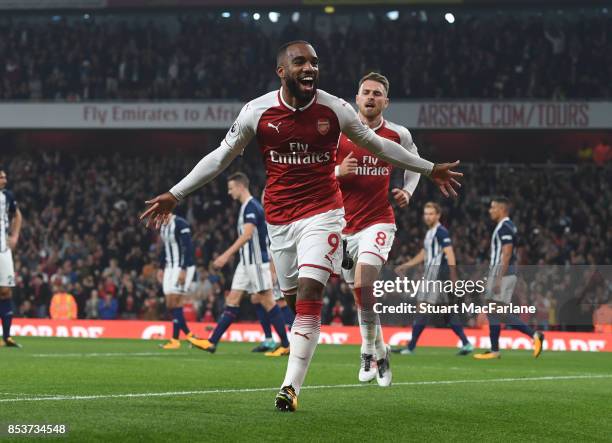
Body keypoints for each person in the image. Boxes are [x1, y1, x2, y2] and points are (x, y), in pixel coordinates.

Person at [141, 40, 462, 412]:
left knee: (312, 291)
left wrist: (428, 168)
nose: (310, 68)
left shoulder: (336, 109)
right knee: (295, 304)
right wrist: (176, 194)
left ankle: (289, 388)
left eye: (314, 62)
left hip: (325, 213)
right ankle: (359, 345)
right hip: (278, 220)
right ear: (282, 71)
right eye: (300, 62)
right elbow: (220, 157)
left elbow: (378, 146)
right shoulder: (256, 112)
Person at [335, 72, 422, 386]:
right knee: (360, 295)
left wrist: (408, 192)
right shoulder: (339, 132)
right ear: (356, 98)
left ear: (386, 101)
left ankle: (366, 351)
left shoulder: (398, 134)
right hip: (342, 227)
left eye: (377, 93)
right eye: (366, 92)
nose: (371, 97)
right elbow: (315, 172)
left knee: (364, 283)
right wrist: (337, 171)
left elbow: (417, 165)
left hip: (378, 221)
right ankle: (381, 350)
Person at [189, 173, 290, 356]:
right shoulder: (246, 207)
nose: (229, 192)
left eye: (231, 188)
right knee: (233, 299)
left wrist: (226, 255)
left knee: (267, 300)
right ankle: (211, 342)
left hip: (256, 262)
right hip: (245, 263)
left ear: (241, 187)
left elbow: (247, 235)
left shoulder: (251, 206)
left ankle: (286, 343)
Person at [393, 202, 473, 356]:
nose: (428, 216)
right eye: (426, 213)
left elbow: (450, 253)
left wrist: (454, 276)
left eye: (431, 213)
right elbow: (424, 254)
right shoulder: (430, 233)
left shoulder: (441, 232)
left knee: (423, 308)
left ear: (438, 215)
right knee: (446, 312)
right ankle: (466, 343)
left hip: (437, 276)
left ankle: (410, 347)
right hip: (431, 275)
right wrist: (406, 265)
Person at [474, 197, 544, 359]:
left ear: (502, 209)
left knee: (497, 311)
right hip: (503, 273)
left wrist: (498, 278)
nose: (490, 211)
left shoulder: (504, 227)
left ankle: (534, 335)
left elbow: (506, 253)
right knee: (494, 311)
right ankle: (495, 350)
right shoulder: (507, 226)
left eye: (493, 208)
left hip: (502, 274)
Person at [157, 213, 198, 349]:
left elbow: (188, 247)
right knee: (170, 303)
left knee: (175, 301)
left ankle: (175, 339)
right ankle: (190, 336)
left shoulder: (181, 224)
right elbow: (165, 247)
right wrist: (161, 267)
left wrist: (184, 269)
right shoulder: (163, 225)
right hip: (169, 267)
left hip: (182, 267)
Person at [0, 167, 22, 348]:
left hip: (3, 249)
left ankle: (7, 336)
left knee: (6, 291)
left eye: (5, 177)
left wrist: (14, 236)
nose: (4, 180)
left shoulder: (8, 196)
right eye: (1, 177)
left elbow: (17, 215)